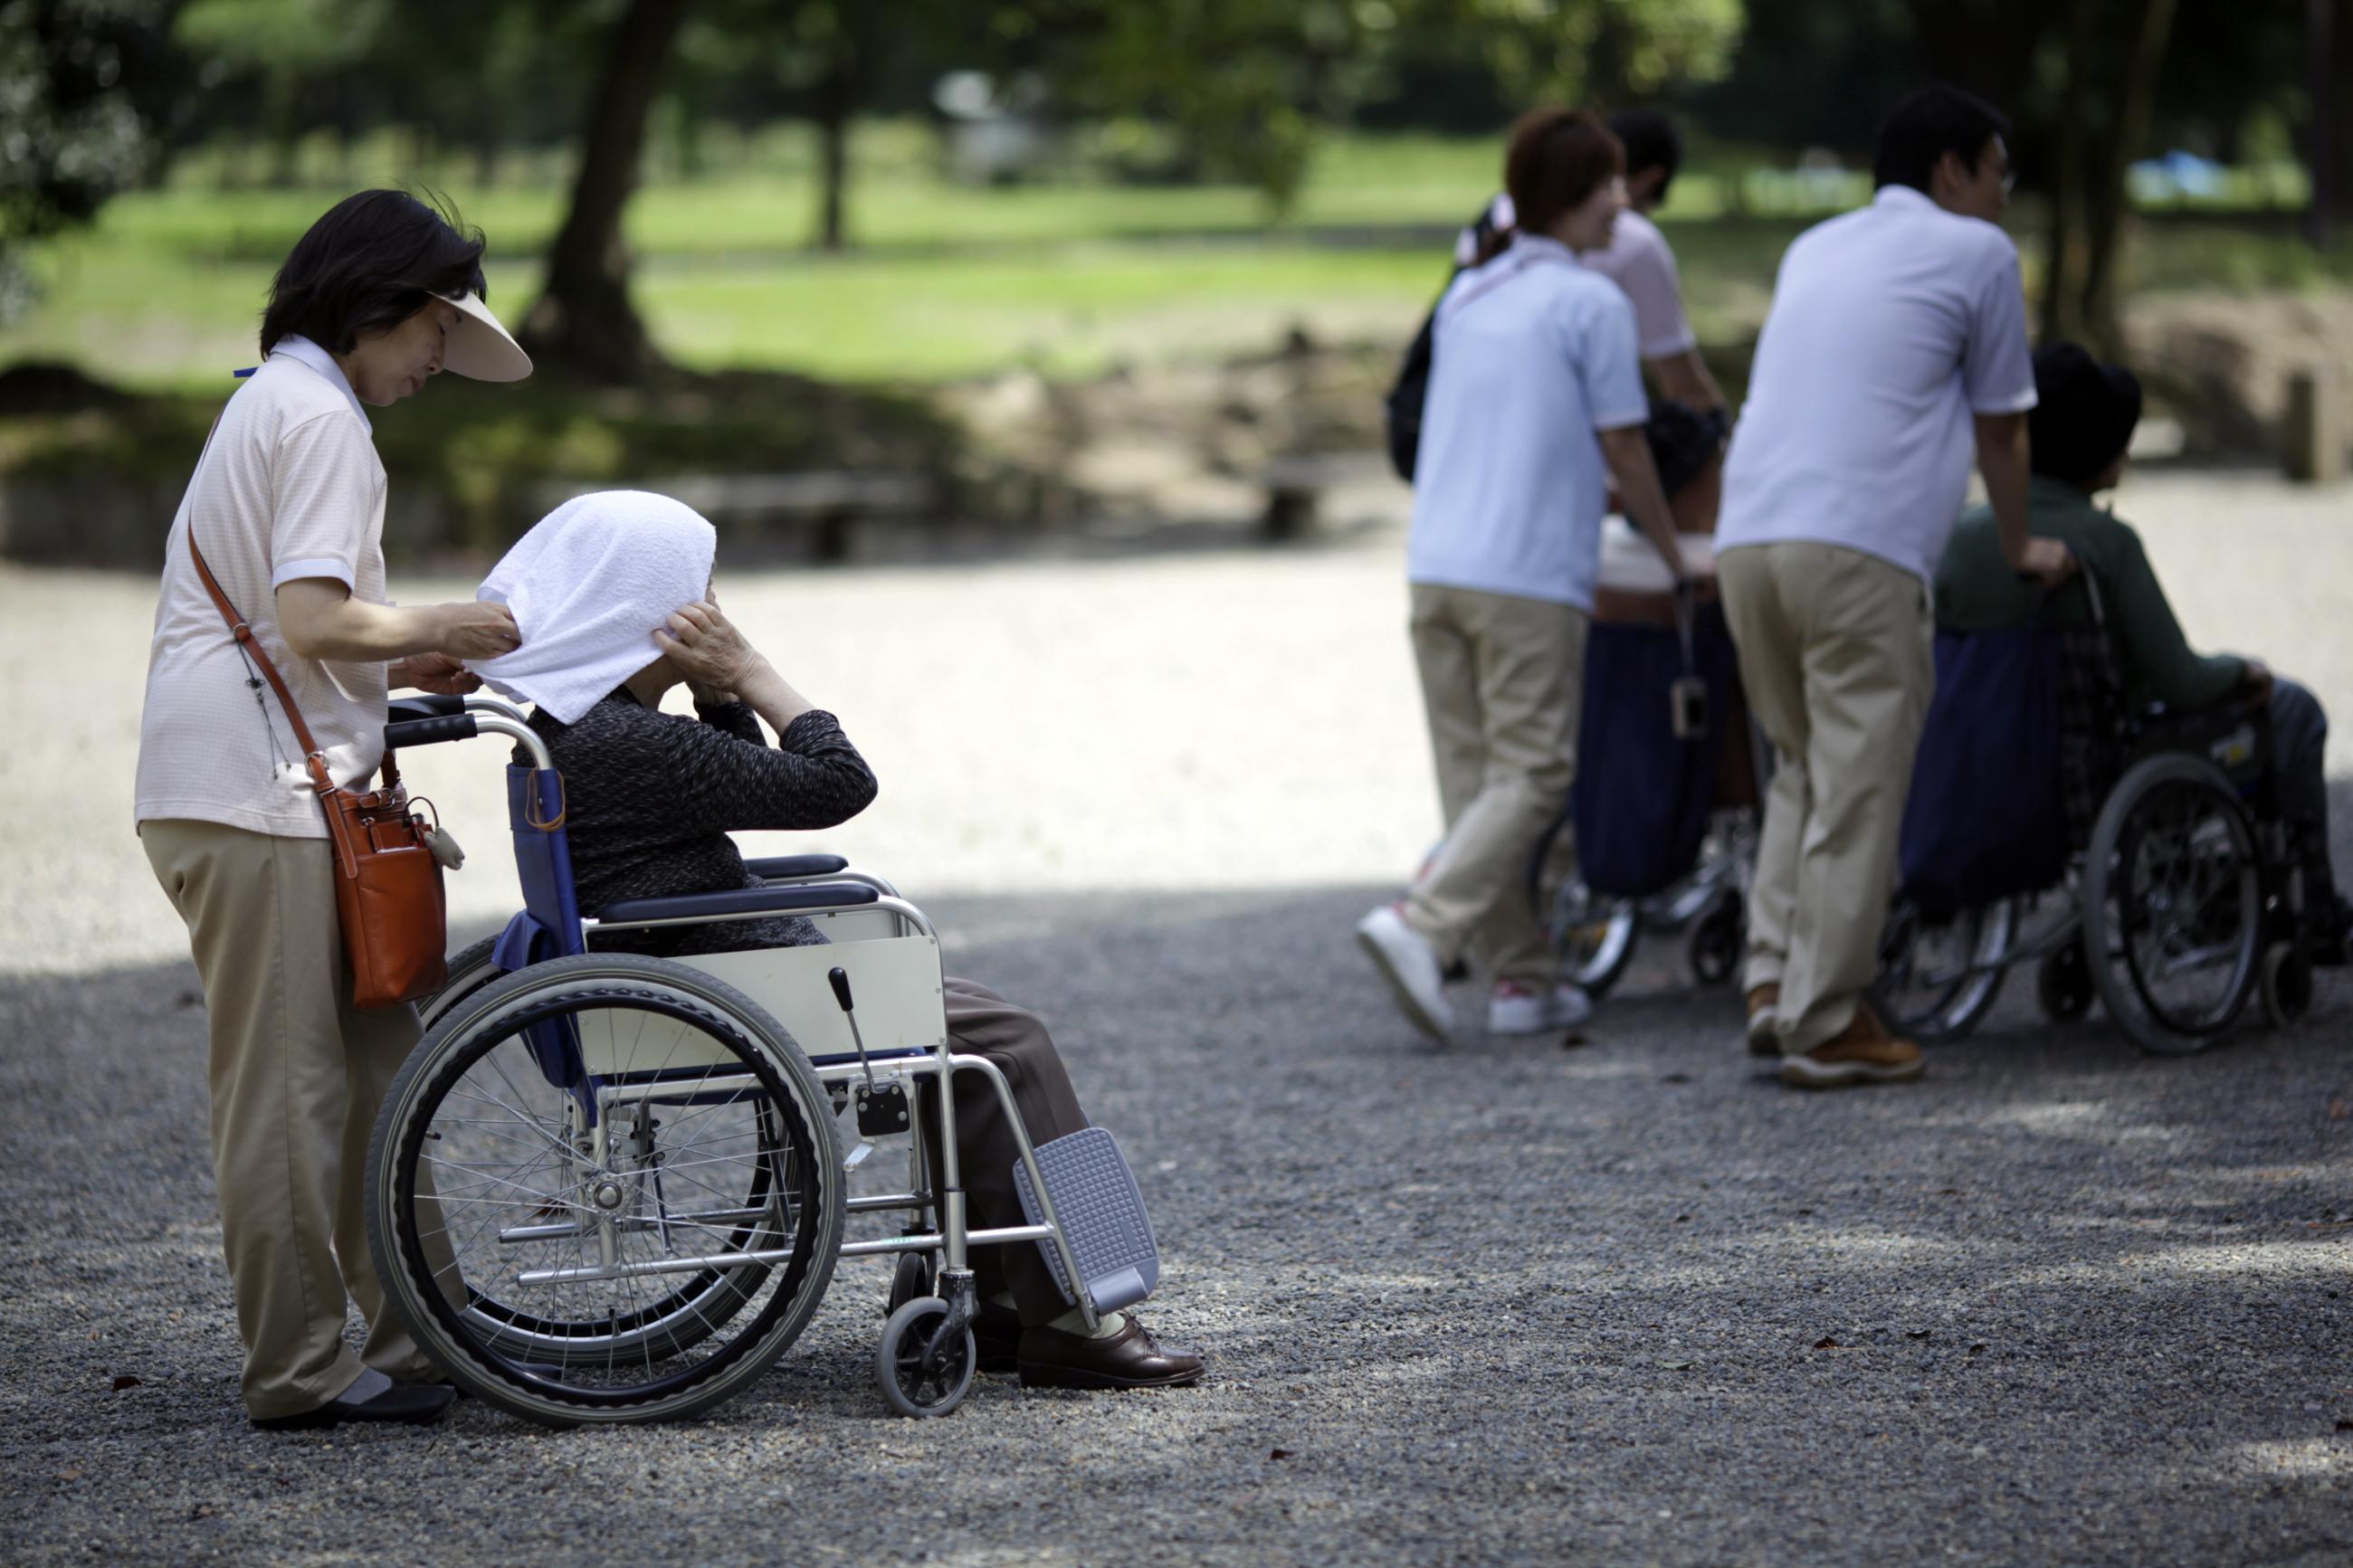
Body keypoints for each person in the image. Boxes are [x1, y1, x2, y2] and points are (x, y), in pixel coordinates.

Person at [468, 490, 1205, 1392]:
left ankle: (1017, 1303)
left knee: (976, 1025)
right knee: (1008, 1042)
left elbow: (733, 788)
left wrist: (711, 694)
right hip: (737, 980)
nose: (717, 611)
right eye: (699, 591)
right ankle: (1070, 1315)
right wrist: (752, 673)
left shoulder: (580, 733)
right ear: (645, 608)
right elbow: (835, 783)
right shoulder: (628, 742)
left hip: (707, 962)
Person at [135, 191, 532, 1430]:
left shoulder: (284, 399)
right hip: (253, 794)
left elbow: (289, 626)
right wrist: (444, 624)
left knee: (378, 1077)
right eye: (431, 328)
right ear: (375, 304)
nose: (434, 361)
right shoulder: (317, 416)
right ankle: (300, 1369)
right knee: (290, 1090)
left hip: (255, 781)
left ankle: (424, 1337)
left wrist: (397, 659)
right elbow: (310, 619)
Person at [1713, 85, 2073, 1088]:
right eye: (1998, 171)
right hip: (1856, 549)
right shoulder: (1977, 254)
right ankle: (1825, 1020)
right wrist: (2017, 545)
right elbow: (2002, 422)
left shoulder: (1812, 247)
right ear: (1952, 168)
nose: (2004, 196)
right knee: (1859, 782)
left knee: (1800, 765)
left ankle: (1770, 983)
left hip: (1746, 538)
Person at [1357, 108, 1696, 1043]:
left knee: (1475, 784)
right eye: (1608, 186)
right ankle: (1419, 923)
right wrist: (1674, 558)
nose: (1622, 205)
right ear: (1572, 197)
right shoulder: (1590, 302)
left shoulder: (1470, 293)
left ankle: (1523, 978)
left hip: (1436, 566)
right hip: (1526, 576)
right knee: (1538, 771)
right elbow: (1625, 450)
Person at [1936, 342, 2353, 958]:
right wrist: (2243, 670)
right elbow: (2181, 680)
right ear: (2098, 451)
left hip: (1991, 764)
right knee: (2293, 710)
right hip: (2101, 774)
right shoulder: (2106, 542)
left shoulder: (1964, 536)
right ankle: (2314, 908)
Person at [1451, 109, 1729, 528]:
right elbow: (1670, 398)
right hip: (1547, 512)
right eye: (1609, 186)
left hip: (1467, 492)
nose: (1621, 205)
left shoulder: (1483, 253)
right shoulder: (1607, 285)